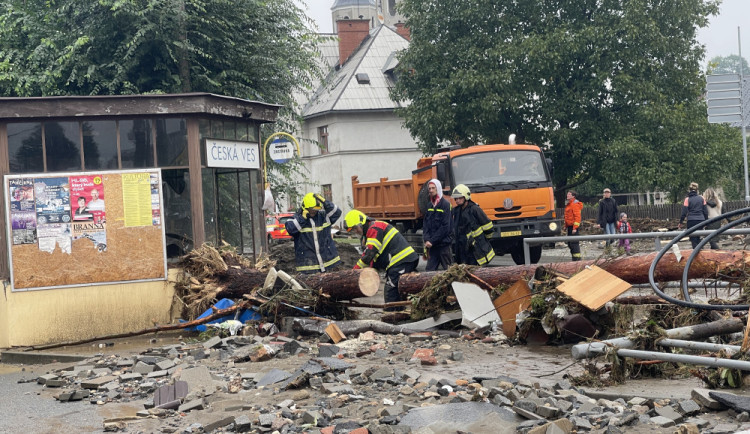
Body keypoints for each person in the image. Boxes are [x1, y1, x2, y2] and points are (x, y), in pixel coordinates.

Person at [344, 210, 419, 310]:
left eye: (355, 228)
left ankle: (391, 316)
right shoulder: (370, 231)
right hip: (401, 261)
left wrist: (355, 270)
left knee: (391, 290)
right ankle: (400, 312)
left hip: (402, 260)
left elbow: (370, 253)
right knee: (398, 289)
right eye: (353, 230)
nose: (355, 231)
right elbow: (374, 258)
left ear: (361, 223)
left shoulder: (374, 228)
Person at [285, 192, 342, 274]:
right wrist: (302, 219)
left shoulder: (323, 217)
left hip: (329, 264)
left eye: (316, 209)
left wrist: (325, 202)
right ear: (305, 208)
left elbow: (337, 212)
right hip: (308, 267)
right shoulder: (296, 219)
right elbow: (290, 228)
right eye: (312, 210)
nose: (314, 212)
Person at [451, 184, 495, 266]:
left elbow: (489, 227)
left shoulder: (475, 209)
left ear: (466, 197)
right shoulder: (456, 211)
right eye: (456, 198)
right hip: (462, 249)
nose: (457, 200)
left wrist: (483, 241)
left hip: (476, 250)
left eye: (459, 198)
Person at [422, 179, 453, 271]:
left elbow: (445, 227)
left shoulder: (446, 205)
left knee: (449, 272)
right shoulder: (429, 206)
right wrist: (427, 239)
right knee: (429, 271)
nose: (431, 190)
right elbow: (426, 224)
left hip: (443, 246)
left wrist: (431, 241)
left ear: (438, 189)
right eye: (429, 188)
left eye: (433, 188)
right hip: (433, 246)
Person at [678, 182, 708, 249]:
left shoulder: (687, 199)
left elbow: (684, 212)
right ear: (697, 190)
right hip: (701, 220)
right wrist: (706, 221)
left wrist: (681, 222)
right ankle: (701, 252)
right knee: (699, 238)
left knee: (693, 239)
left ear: (689, 190)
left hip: (691, 220)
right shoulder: (702, 198)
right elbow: (705, 211)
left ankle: (695, 254)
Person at [564, 190, 583, 261]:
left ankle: (577, 259)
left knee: (574, 243)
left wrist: (575, 228)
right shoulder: (569, 204)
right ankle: (574, 258)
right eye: (567, 194)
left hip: (573, 227)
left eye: (569, 194)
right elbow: (568, 216)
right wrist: (565, 226)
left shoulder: (574, 204)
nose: (567, 195)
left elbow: (577, 217)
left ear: (573, 196)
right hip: (569, 227)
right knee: (570, 243)